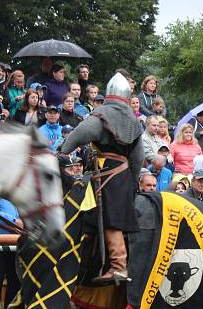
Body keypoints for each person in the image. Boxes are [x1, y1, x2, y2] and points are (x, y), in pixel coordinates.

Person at [60, 72, 143, 284]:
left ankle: (118, 267)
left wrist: (63, 150)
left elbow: (80, 134)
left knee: (110, 220)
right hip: (123, 174)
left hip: (106, 172)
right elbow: (138, 159)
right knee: (105, 217)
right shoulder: (133, 121)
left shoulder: (102, 114)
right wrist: (131, 181)